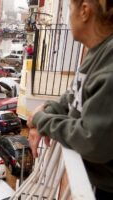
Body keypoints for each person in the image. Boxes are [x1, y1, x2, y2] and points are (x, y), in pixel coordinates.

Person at [26, 0, 113, 199]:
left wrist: (41, 120)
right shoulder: (97, 51)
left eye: (69, 9)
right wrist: (48, 109)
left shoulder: (109, 64)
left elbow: (91, 141)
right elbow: (73, 97)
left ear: (84, 11)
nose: (67, 18)